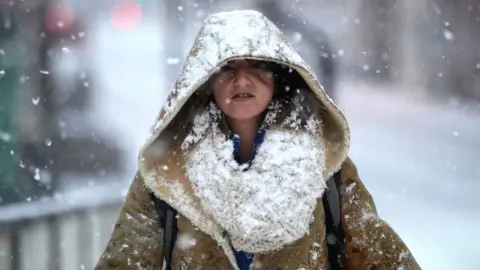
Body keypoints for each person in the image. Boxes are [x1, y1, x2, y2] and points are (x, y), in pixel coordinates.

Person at [94, 10, 419, 270]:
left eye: (257, 66)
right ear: (206, 80)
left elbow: (381, 255)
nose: (242, 80)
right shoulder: (167, 171)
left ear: (278, 75)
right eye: (227, 69)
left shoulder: (325, 165)